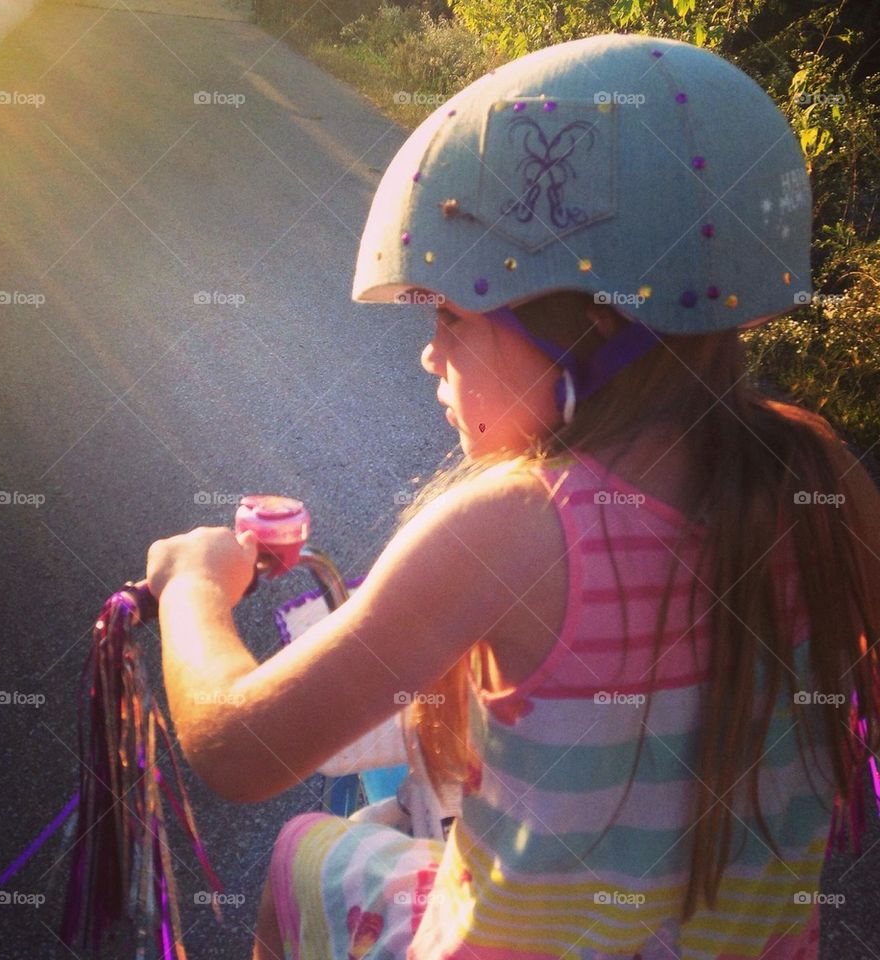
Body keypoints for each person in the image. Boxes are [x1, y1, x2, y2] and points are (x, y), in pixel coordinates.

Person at [145, 32, 880, 960]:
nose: (430, 353)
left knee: (306, 853)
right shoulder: (824, 477)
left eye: (452, 315)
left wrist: (193, 588)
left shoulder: (516, 530)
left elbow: (238, 750)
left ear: (588, 334)